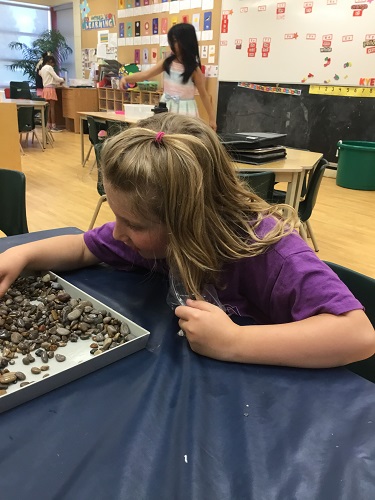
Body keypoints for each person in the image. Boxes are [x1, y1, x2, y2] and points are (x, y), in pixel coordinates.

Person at [0, 114, 374, 368]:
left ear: (187, 221)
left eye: (131, 222)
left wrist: (233, 343)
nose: (117, 233)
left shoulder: (272, 254)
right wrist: (21, 254)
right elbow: (83, 246)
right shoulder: (151, 238)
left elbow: (357, 335)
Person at [120, 23, 217, 131]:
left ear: (186, 42)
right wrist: (126, 78)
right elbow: (145, 74)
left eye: (176, 40)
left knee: (183, 137)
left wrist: (212, 118)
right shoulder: (167, 62)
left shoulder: (194, 70)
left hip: (186, 111)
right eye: (172, 40)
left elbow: (204, 95)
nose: (172, 44)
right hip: (166, 106)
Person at [39, 55, 64, 132]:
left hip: (45, 89)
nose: (54, 65)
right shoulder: (49, 68)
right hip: (51, 89)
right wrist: (62, 79)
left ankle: (49, 125)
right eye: (53, 63)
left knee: (48, 108)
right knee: (52, 108)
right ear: (50, 61)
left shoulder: (42, 69)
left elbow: (49, 80)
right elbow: (56, 78)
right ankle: (54, 126)